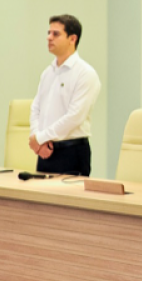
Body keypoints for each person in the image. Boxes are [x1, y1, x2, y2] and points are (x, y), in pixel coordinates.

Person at [29, 14, 101, 176]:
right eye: (48, 33)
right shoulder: (47, 73)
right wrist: (36, 138)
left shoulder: (85, 73)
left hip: (71, 152)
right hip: (44, 152)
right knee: (39, 200)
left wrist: (41, 138)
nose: (49, 38)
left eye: (55, 34)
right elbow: (36, 108)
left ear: (72, 39)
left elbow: (75, 116)